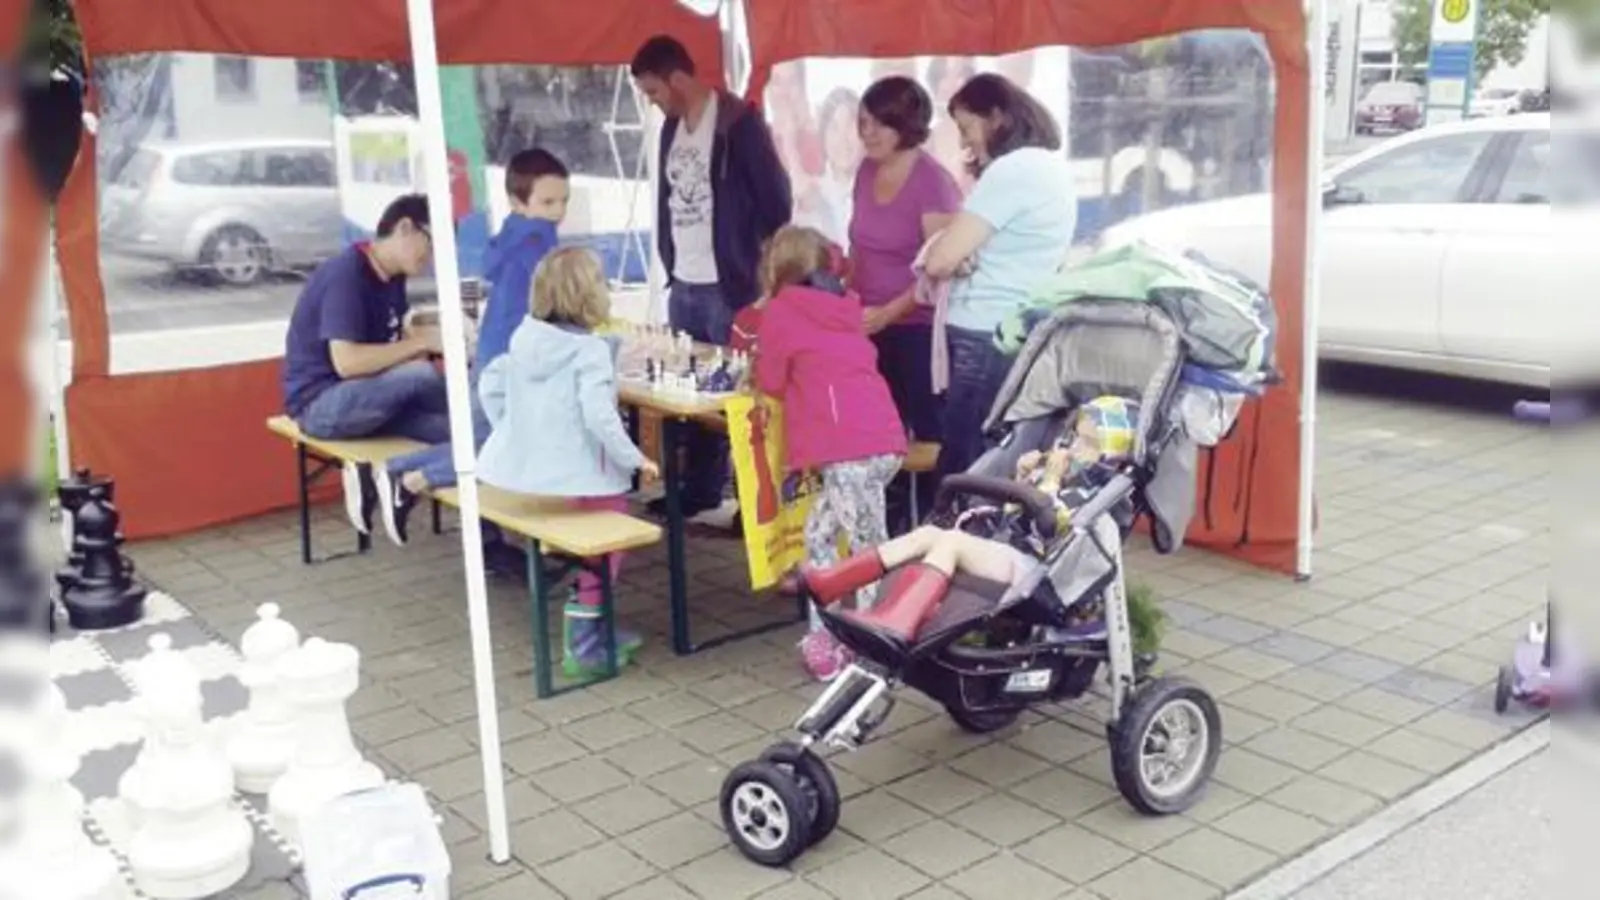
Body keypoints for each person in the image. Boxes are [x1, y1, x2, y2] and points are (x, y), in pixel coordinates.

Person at [791, 396, 1137, 644]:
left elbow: (1050, 526)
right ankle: (832, 582)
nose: (1075, 447)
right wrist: (1023, 476)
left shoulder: (1093, 495)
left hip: (1036, 572)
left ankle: (897, 621)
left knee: (951, 543)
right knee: (928, 534)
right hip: (1008, 553)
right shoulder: (1061, 477)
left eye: (1089, 443)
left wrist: (1048, 482)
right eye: (1075, 436)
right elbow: (1014, 513)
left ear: (1110, 455)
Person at [371, 149, 571, 547]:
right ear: (517, 201)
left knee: (482, 444)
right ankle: (413, 478)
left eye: (564, 201)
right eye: (548, 202)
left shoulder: (510, 237)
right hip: (514, 362)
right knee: (495, 451)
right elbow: (542, 310)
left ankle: (397, 470)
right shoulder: (538, 243)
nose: (557, 211)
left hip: (494, 356)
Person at [476, 248, 660, 676]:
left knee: (597, 540)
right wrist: (636, 459)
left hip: (532, 474)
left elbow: (490, 384)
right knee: (608, 546)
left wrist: (515, 431)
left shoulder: (526, 338)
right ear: (589, 296)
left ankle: (597, 629)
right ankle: (583, 642)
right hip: (582, 476)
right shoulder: (589, 351)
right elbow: (600, 417)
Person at [631, 34, 793, 519]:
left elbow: (776, 199)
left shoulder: (737, 124)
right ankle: (698, 490)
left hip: (730, 284)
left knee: (742, 396)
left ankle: (752, 501)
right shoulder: (670, 130)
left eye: (655, 92)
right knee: (690, 394)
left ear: (678, 79)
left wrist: (753, 260)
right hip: (682, 280)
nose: (654, 104)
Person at [753, 226, 907, 681]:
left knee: (865, 552)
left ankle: (873, 645)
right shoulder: (845, 305)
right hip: (881, 438)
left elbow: (773, 382)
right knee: (820, 535)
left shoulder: (782, 310)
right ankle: (828, 634)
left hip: (848, 449)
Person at [921, 73, 1077, 479]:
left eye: (966, 127)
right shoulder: (1050, 169)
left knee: (962, 464)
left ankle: (952, 539)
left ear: (996, 118)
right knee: (996, 459)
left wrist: (951, 252)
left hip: (982, 330)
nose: (964, 142)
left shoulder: (1012, 170)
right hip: (1015, 328)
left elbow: (940, 260)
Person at [282, 193, 443, 533]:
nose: (432, 258)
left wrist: (417, 335)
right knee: (423, 375)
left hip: (373, 402)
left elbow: (392, 341)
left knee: (459, 427)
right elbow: (347, 363)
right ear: (405, 228)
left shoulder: (394, 277)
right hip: (322, 406)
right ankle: (380, 476)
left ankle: (394, 475)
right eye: (431, 243)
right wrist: (423, 342)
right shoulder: (347, 275)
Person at [848, 76, 964, 529]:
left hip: (917, 328)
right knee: (878, 435)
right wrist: (846, 298)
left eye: (880, 123)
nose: (868, 132)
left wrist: (888, 314)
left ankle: (933, 534)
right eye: (863, 122)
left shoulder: (933, 183)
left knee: (927, 441)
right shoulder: (864, 170)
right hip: (869, 324)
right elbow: (857, 245)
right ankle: (886, 532)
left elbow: (939, 270)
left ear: (907, 125)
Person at [793, 87, 863, 247]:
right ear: (823, 136)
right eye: (834, 128)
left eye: (850, 127)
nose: (843, 138)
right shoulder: (809, 196)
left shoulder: (881, 193)